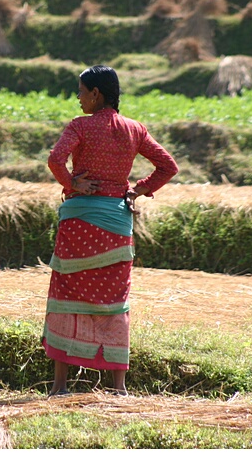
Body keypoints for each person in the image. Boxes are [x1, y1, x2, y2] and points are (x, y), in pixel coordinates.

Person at [43, 65, 178, 396]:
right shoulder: (134, 130)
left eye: (80, 91)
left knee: (66, 296)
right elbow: (168, 166)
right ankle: (119, 388)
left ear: (95, 94)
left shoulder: (80, 127)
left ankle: (61, 385)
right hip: (117, 225)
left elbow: (55, 159)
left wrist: (72, 182)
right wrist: (136, 190)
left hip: (78, 223)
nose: (77, 98)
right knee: (115, 300)